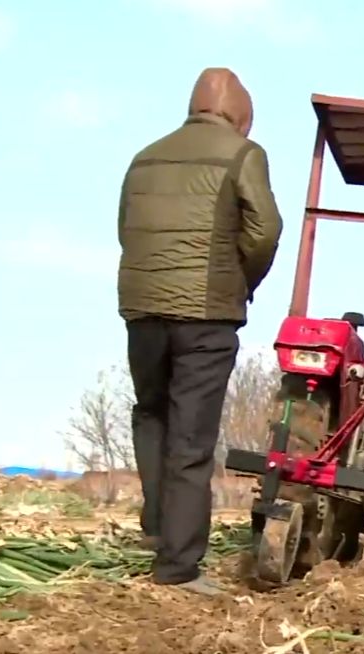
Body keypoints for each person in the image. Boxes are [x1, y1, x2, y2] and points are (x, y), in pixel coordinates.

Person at [117, 68, 283, 595]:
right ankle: (178, 567)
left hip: (143, 310)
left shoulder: (145, 156)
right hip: (205, 315)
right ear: (241, 117)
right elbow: (265, 230)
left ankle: (158, 529)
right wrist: (241, 281)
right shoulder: (242, 154)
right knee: (191, 437)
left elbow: (126, 227)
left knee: (152, 415)